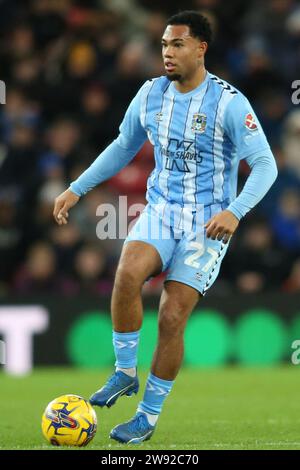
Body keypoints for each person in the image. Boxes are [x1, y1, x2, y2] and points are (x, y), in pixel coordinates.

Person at [53, 11, 278, 444]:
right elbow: (123, 146)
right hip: (162, 212)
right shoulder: (151, 93)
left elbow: (266, 165)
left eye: (176, 44)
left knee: (172, 316)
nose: (167, 53)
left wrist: (235, 211)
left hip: (208, 225)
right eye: (163, 44)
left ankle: (147, 418)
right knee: (126, 274)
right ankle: (123, 372)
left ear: (200, 48)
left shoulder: (230, 103)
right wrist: (77, 188)